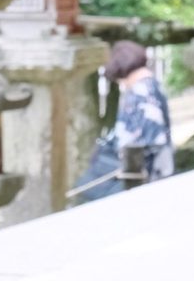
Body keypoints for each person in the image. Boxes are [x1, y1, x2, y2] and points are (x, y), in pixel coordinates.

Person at [70, 40, 174, 203]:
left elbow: (133, 144)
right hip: (159, 171)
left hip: (141, 176)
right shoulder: (153, 87)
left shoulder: (139, 93)